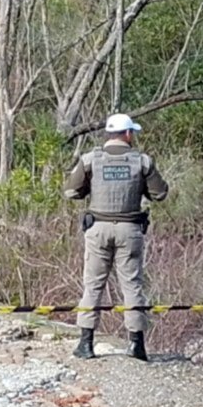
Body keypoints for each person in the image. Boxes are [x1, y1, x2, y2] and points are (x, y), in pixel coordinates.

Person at [64, 113, 169, 361]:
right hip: (129, 231)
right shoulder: (142, 161)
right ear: (129, 134)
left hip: (97, 229)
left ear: (109, 134)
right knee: (132, 286)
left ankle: (86, 344)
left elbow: (71, 191)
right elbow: (161, 194)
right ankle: (137, 346)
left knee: (93, 285)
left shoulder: (90, 160)